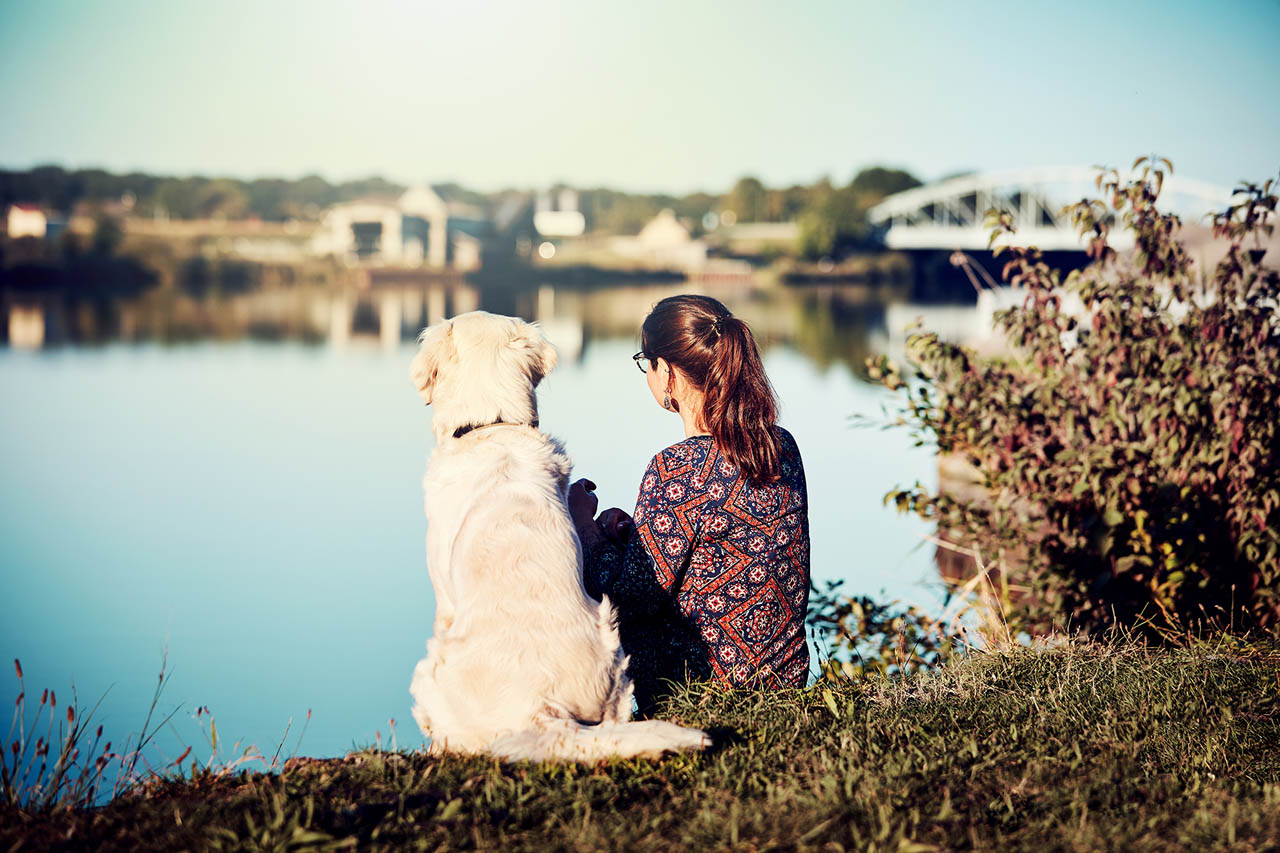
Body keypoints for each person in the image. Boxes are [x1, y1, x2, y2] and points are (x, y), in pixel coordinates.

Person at [569, 294, 810, 715]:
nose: (648, 373)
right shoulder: (782, 447)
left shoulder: (677, 468)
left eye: (647, 362)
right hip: (783, 681)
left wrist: (583, 528)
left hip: (702, 690)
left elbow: (632, 597)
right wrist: (630, 541)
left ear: (669, 374)